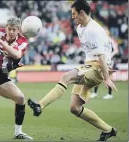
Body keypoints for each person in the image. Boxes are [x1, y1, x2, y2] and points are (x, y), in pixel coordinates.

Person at [27, 1, 117, 141]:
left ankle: (40, 105)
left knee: (66, 77)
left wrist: (106, 78)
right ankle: (109, 130)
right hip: (90, 65)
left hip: (98, 67)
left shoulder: (95, 30)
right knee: (75, 108)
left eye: (74, 14)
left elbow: (101, 57)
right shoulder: (80, 28)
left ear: (82, 13)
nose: (72, 17)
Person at [90, 27, 119, 99]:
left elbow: (116, 50)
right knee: (98, 76)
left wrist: (110, 56)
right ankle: (95, 93)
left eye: (106, 31)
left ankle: (109, 94)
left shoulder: (111, 40)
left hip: (109, 61)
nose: (105, 33)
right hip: (101, 60)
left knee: (109, 76)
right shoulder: (100, 40)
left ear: (108, 32)